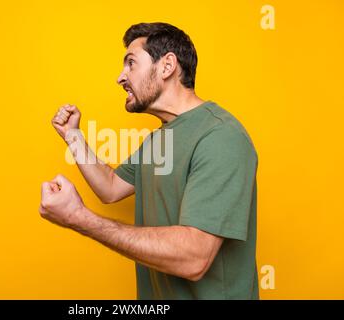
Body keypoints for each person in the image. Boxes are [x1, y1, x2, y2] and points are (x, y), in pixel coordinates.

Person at [40, 22, 259, 299]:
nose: (120, 78)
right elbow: (109, 188)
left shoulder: (221, 137)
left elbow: (194, 258)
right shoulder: (158, 140)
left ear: (167, 66)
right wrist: (73, 136)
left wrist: (78, 218)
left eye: (131, 63)